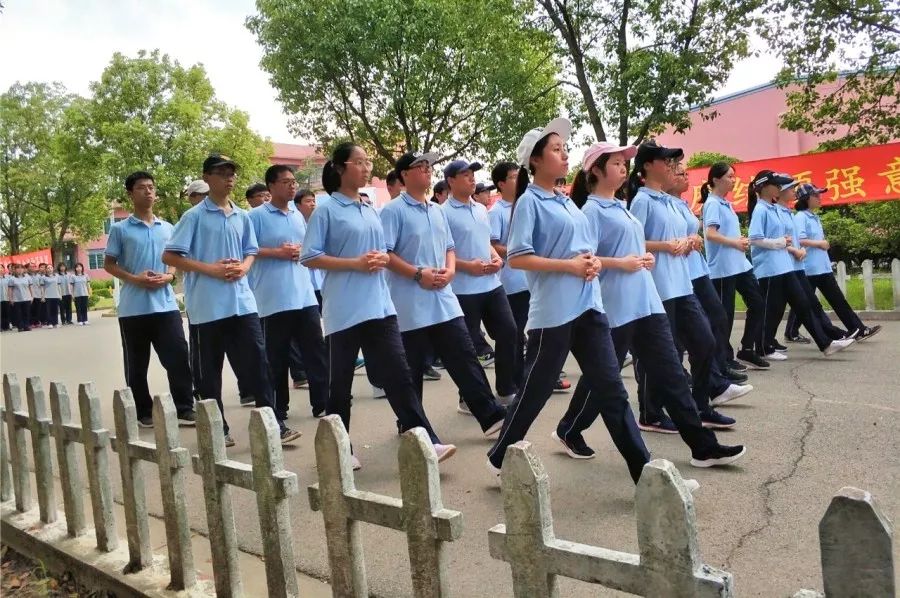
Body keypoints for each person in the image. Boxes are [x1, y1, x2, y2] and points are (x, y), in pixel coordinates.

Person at [486, 118, 651, 482]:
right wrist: (571, 266)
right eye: (557, 150)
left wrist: (590, 261)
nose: (565, 155)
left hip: (589, 307)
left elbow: (583, 248)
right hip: (555, 313)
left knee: (613, 389)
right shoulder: (529, 202)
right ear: (536, 161)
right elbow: (518, 257)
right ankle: (500, 456)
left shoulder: (565, 202)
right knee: (534, 392)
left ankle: (646, 471)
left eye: (565, 149)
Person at [570, 141, 746, 466]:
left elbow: (636, 244)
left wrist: (646, 256)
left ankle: (702, 447)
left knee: (673, 375)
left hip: (648, 300)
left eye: (625, 163)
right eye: (615, 163)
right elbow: (584, 259)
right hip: (618, 307)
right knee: (603, 379)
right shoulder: (591, 211)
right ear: (595, 170)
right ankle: (570, 428)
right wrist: (622, 262)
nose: (623, 167)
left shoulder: (621, 205)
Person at [300, 142, 455, 469]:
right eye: (359, 162)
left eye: (368, 161)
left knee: (399, 376)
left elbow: (383, 252)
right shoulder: (327, 209)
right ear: (341, 168)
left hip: (380, 307)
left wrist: (382, 258)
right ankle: (340, 448)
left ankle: (426, 439)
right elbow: (309, 256)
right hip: (344, 309)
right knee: (340, 384)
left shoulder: (370, 208)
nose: (366, 166)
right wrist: (354, 263)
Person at [163, 153, 301, 447]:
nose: (229, 178)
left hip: (243, 303)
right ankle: (217, 429)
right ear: (207, 177)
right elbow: (170, 256)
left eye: (232, 173)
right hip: (207, 308)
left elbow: (251, 250)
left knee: (259, 366)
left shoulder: (241, 215)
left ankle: (273, 423)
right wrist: (210, 269)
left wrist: (245, 267)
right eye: (222, 172)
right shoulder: (194, 217)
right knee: (209, 374)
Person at [380, 151, 507, 435]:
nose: (427, 170)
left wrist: (450, 270)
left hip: (444, 298)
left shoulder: (436, 209)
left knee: (464, 355)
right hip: (410, 302)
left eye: (428, 166)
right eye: (419, 167)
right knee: (411, 367)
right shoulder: (393, 211)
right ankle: (411, 425)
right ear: (404, 175)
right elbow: (385, 253)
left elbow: (449, 246)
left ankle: (490, 415)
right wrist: (416, 273)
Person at [629, 141, 746, 430]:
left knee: (705, 342)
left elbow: (691, 234)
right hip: (658, 286)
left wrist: (692, 241)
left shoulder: (670, 200)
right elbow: (634, 242)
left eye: (672, 161)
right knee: (660, 352)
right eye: (664, 160)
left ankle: (702, 404)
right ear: (646, 166)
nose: (670, 165)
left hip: (683, 284)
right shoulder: (642, 201)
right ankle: (650, 412)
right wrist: (666, 245)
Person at [104, 171, 197, 428]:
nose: (148, 192)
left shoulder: (168, 228)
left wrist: (169, 276)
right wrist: (135, 279)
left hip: (166, 305)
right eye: (142, 187)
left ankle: (185, 407)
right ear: (130, 193)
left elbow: (176, 260)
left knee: (178, 356)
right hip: (133, 309)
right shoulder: (120, 229)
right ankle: (142, 411)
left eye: (151, 187)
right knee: (136, 364)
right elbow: (109, 265)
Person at [249, 164, 329, 420]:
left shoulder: (298, 214)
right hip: (273, 299)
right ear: (271, 186)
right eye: (286, 181)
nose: (292, 185)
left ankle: (323, 403)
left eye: (293, 181)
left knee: (315, 351)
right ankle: (278, 410)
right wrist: (277, 253)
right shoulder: (256, 216)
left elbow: (309, 246)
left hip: (304, 295)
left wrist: (300, 250)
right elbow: (246, 249)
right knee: (276, 358)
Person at [746, 171, 855, 358]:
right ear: (765, 187)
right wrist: (779, 243)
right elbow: (755, 239)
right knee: (773, 309)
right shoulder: (761, 209)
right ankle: (764, 347)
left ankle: (826, 344)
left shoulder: (771, 208)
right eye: (777, 184)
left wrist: (784, 243)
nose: (779, 188)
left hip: (785, 266)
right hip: (770, 268)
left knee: (804, 304)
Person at [488, 161, 570, 394]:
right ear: (501, 184)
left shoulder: (531, 203)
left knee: (533, 332)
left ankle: (536, 376)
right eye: (512, 177)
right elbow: (494, 245)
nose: (518, 180)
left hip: (530, 280)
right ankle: (519, 381)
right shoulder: (497, 212)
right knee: (516, 334)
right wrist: (525, 252)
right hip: (512, 283)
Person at [442, 159, 519, 404]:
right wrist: (468, 266)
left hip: (492, 284)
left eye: (473, 174)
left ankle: (506, 390)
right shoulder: (443, 213)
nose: (472, 179)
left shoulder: (480, 209)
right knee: (469, 346)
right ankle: (469, 398)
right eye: (465, 175)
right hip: (463, 289)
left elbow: (486, 242)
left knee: (509, 332)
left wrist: (496, 258)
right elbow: (444, 252)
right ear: (451, 181)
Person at [669, 163, 748, 384]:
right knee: (689, 330)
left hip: (698, 268)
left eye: (686, 173)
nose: (686, 177)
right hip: (686, 272)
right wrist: (688, 240)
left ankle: (717, 372)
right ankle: (698, 378)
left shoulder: (682, 203)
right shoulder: (659, 203)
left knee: (716, 319)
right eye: (680, 173)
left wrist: (693, 238)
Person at [787, 183, 881, 341]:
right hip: (809, 268)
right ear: (806, 198)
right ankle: (792, 332)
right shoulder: (801, 217)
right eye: (816, 195)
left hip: (822, 267)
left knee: (836, 300)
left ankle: (858, 329)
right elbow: (800, 240)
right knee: (803, 303)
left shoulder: (813, 216)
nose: (820, 198)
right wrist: (820, 244)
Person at [701, 163, 769, 370]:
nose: (734, 180)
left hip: (740, 264)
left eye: (734, 176)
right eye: (730, 176)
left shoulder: (725, 203)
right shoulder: (712, 203)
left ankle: (747, 349)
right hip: (722, 268)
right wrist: (734, 242)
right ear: (715, 179)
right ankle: (723, 358)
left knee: (758, 303)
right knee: (724, 315)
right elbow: (710, 234)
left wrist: (737, 240)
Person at [770, 186, 848, 350]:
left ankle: (829, 339)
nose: (794, 192)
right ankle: (762, 343)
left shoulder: (788, 213)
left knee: (807, 305)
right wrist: (797, 249)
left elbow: (792, 240)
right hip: (791, 267)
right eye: (790, 188)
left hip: (798, 266)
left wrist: (799, 249)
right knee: (775, 308)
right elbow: (765, 239)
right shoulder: (779, 213)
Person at [9, 263, 33, 332]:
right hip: (17, 299)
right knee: (18, 314)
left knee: (26, 313)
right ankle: (20, 327)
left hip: (27, 298)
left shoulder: (27, 277)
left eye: (21, 268)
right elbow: (10, 289)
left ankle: (26, 326)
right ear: (15, 270)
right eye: (18, 268)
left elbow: (30, 287)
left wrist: (32, 296)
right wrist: (10, 299)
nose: (20, 270)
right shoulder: (12, 279)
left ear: (24, 269)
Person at [40, 262, 63, 328]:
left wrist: (60, 295)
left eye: (51, 268)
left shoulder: (57, 276)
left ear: (53, 269)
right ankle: (50, 323)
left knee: (55, 310)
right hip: (47, 296)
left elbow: (59, 286)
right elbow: (42, 288)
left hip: (56, 295)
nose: (49, 269)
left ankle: (55, 323)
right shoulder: (43, 277)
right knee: (48, 310)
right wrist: (43, 296)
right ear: (46, 269)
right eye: (48, 268)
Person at [28, 263, 43, 327]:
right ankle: (31, 323)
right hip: (30, 296)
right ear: (28, 268)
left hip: (38, 295)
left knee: (38, 310)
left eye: (34, 266)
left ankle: (36, 322)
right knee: (31, 310)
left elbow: (41, 286)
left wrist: (42, 295)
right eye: (31, 266)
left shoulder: (39, 276)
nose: (32, 268)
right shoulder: (26, 276)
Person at [0, 264, 11, 331]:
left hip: (6, 298)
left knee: (6, 313)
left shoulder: (8, 278)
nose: (0, 269)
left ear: (4, 269)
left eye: (1, 268)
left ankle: (6, 326)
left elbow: (10, 288)